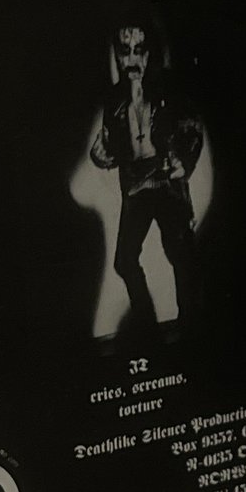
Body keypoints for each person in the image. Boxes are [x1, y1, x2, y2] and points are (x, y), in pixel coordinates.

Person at [88, 24, 204, 344]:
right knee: (125, 260)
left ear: (149, 54)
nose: (132, 59)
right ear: (117, 56)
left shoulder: (168, 89)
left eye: (138, 51)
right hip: (136, 186)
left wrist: (184, 162)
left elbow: (192, 128)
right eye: (125, 52)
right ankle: (148, 329)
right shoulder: (114, 98)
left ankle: (191, 329)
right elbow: (111, 147)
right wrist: (100, 156)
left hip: (166, 179)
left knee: (181, 255)